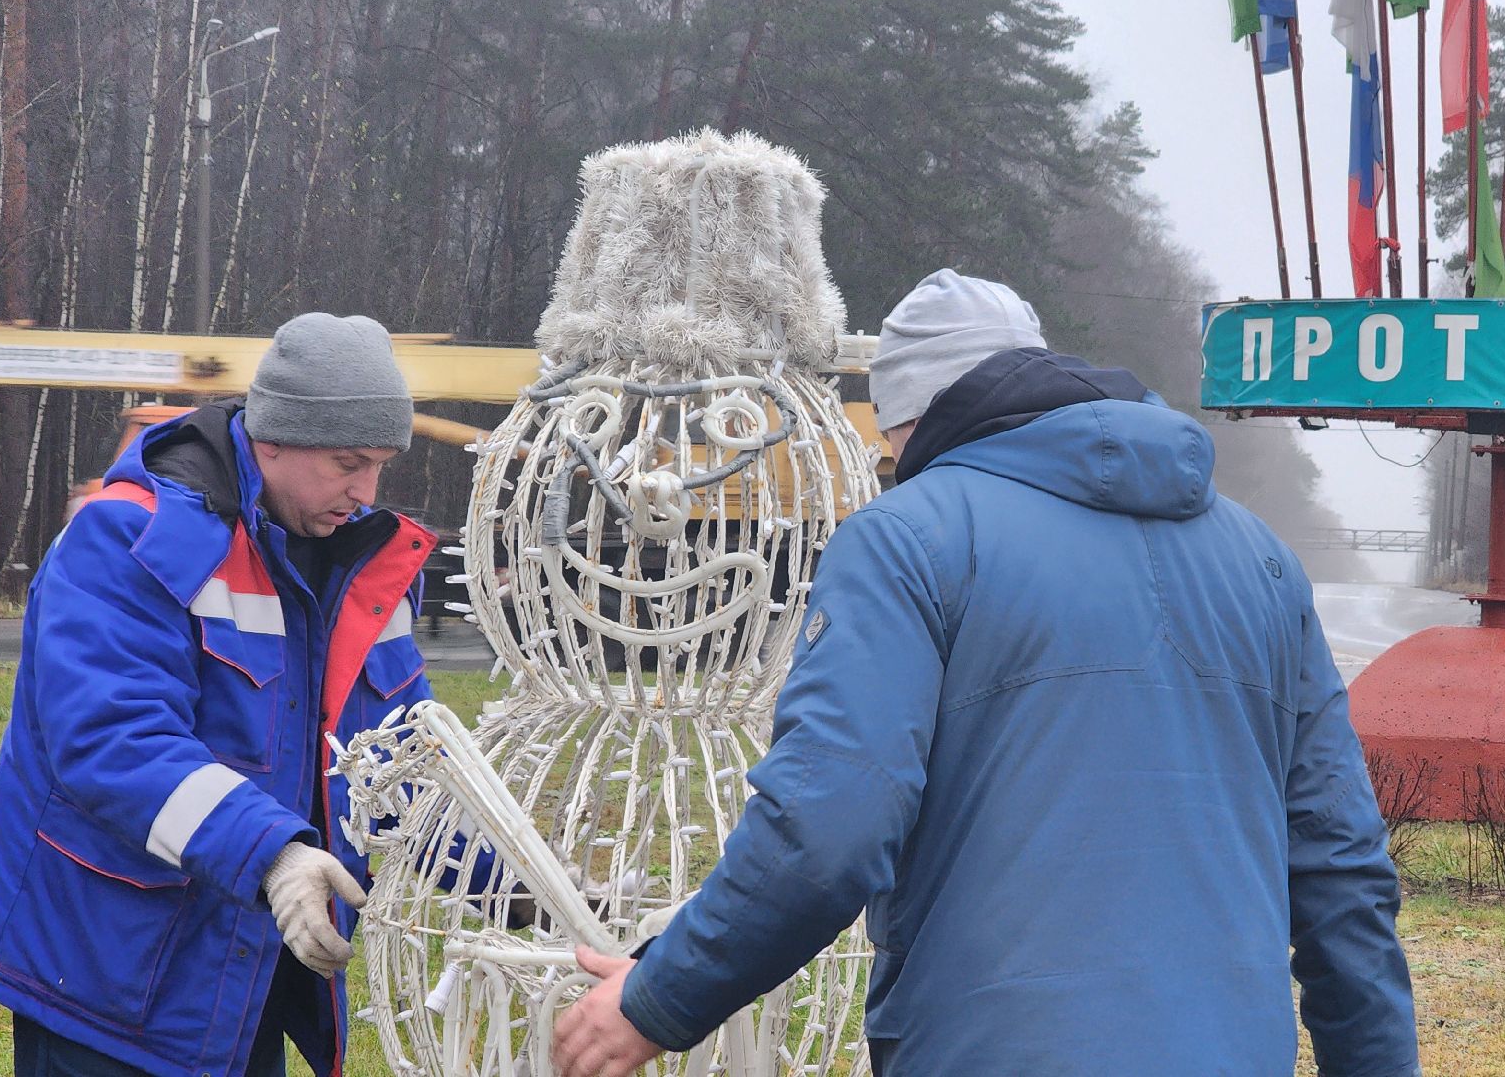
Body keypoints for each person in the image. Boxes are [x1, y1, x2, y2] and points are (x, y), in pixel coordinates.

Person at [550, 269, 1422, 1076]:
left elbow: (827, 831)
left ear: (906, 421)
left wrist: (662, 996)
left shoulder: (906, 541)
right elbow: (1342, 871)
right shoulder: (1262, 562)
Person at [0, 313, 441, 1077]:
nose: (366, 490)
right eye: (348, 461)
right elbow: (113, 742)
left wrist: (524, 885)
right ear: (272, 436)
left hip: (236, 983)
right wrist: (275, 856)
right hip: (101, 983)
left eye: (380, 465)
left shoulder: (358, 569)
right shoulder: (126, 538)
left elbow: (402, 764)